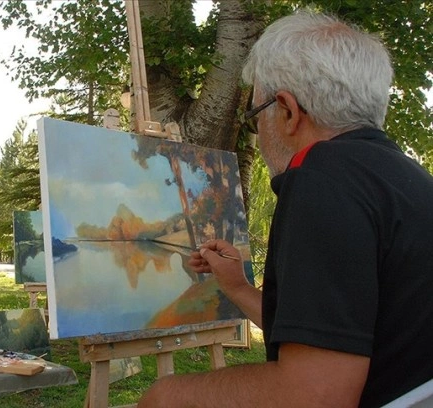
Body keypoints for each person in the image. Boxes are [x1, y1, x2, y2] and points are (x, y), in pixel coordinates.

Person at [138, 10, 433, 408]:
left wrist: (165, 396)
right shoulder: (404, 177)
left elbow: (315, 395)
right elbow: (333, 335)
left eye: (255, 115)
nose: (258, 131)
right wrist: (238, 288)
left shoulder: (322, 178)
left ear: (288, 111)